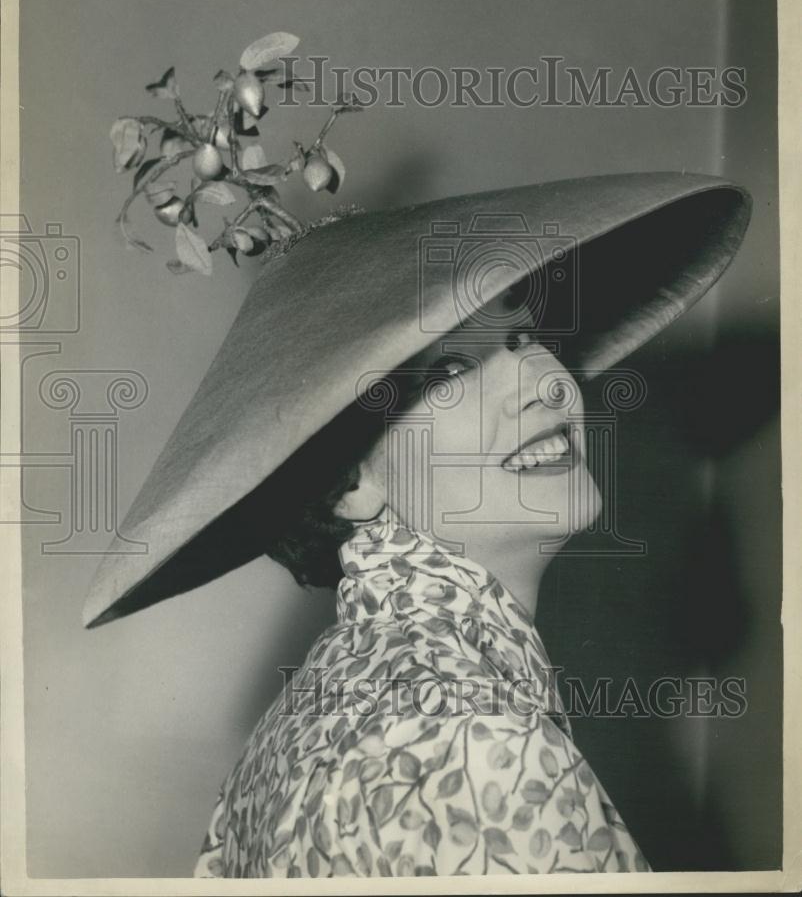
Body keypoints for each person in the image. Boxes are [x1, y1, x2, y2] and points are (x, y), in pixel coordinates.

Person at [81, 172, 751, 877]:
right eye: (450, 370)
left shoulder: (323, 695)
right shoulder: (477, 740)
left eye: (521, 334)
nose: (538, 381)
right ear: (349, 481)